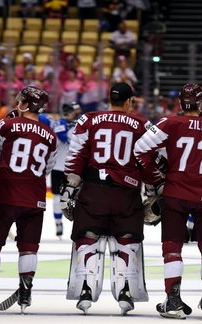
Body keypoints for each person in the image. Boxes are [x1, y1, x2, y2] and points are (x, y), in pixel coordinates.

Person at [61, 82, 162, 315]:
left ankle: (86, 287)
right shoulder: (141, 124)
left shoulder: (88, 120)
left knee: (88, 236)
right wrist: (155, 187)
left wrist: (69, 188)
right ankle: (125, 289)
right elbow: (148, 159)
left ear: (110, 99)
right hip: (126, 194)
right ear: (129, 102)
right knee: (127, 239)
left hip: (93, 191)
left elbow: (76, 155)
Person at [134, 83, 202, 319]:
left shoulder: (170, 123)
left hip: (175, 193)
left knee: (172, 249)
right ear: (201, 101)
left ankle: (173, 299)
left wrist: (160, 169)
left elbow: (139, 149)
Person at [0, 87, 57, 314]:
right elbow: (47, 168)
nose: (17, 102)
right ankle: (25, 293)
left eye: (21, 100)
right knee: (29, 249)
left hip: (5, 194)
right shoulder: (50, 135)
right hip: (34, 197)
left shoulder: (6, 124)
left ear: (28, 104)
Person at [50, 102, 81, 238]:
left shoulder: (79, 124)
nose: (78, 113)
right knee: (57, 197)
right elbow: (66, 137)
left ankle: (79, 223)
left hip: (73, 166)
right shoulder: (59, 124)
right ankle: (58, 223)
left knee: (78, 196)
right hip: (58, 166)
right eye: (75, 111)